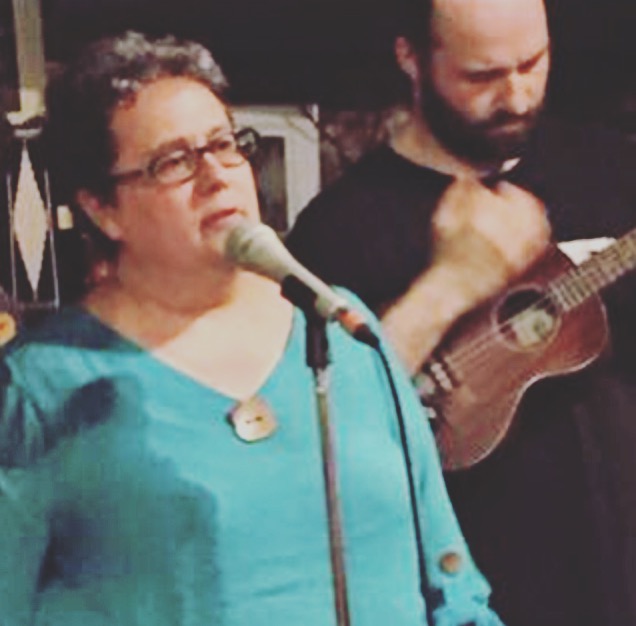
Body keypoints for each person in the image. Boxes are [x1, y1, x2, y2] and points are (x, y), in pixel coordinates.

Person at [0, 30, 506, 626]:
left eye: (224, 144)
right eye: (174, 162)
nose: (216, 175)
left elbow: (453, 588)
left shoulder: (340, 327)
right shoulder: (43, 385)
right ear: (101, 208)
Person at [286, 0, 636, 625]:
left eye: (533, 63)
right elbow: (318, 439)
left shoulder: (614, 168)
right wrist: (448, 285)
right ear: (411, 58)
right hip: (476, 596)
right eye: (483, 75)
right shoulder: (338, 232)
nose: (517, 96)